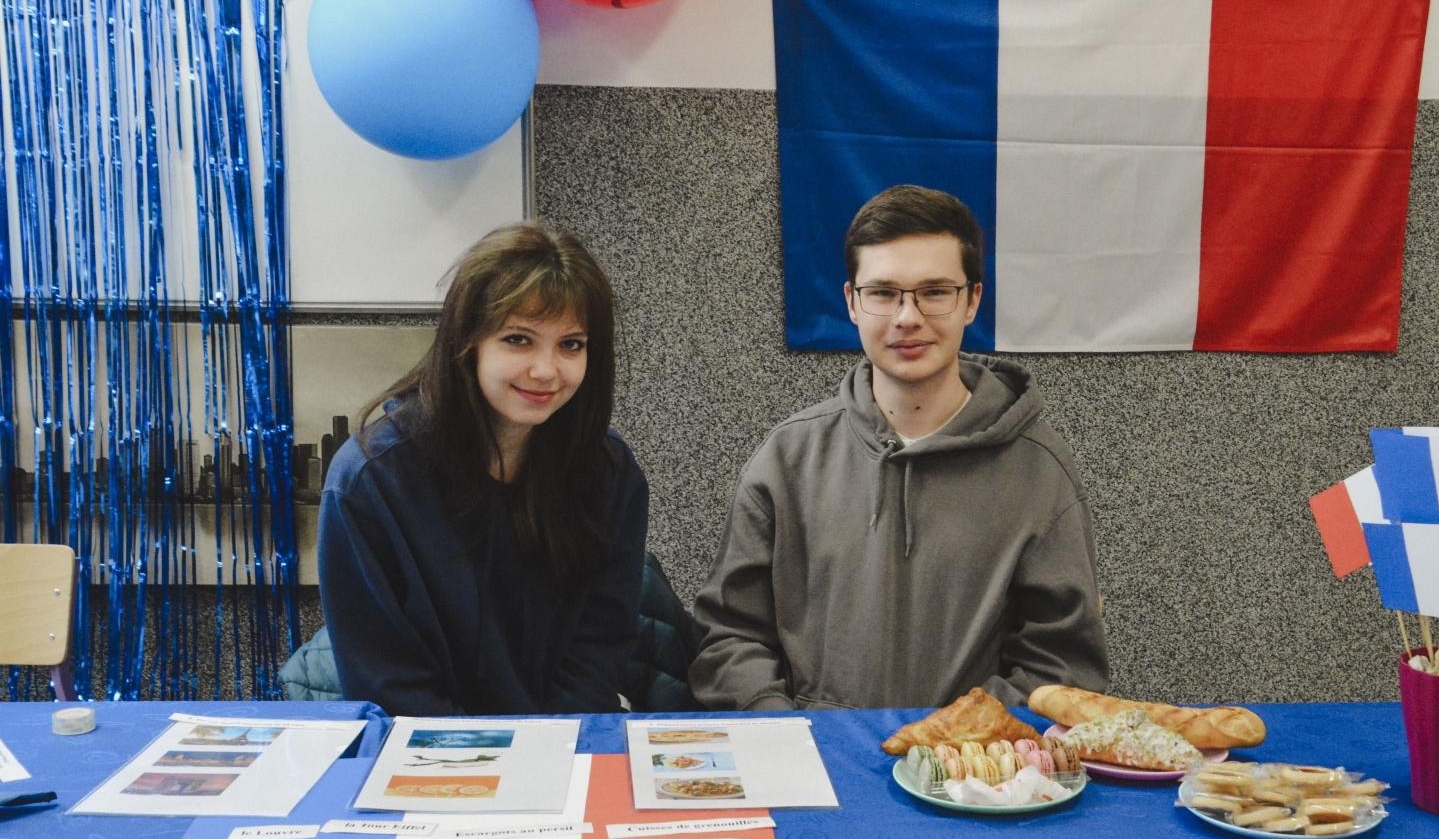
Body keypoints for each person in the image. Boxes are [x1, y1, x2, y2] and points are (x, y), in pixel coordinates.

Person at [690, 185, 1109, 710]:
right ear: (851, 303)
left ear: (972, 300)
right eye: (883, 293)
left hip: (967, 780)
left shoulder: (1038, 472)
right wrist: (791, 733)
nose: (907, 317)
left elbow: (1062, 667)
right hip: (815, 767)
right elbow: (729, 639)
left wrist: (946, 744)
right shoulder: (787, 460)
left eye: (934, 292)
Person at [318, 222, 648, 716]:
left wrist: (552, 755)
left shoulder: (609, 470)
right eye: (518, 339)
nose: (545, 370)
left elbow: (599, 651)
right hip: (427, 757)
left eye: (571, 344)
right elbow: (387, 682)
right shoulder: (372, 480)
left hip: (566, 746)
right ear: (467, 341)